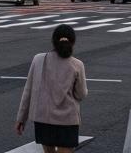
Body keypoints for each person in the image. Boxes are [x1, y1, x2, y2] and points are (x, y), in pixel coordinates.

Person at [15, 24, 87, 153]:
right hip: (68, 121)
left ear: (53, 41)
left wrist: (21, 119)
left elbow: (28, 92)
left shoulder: (38, 59)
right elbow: (81, 94)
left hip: (43, 119)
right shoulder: (77, 64)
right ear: (73, 42)